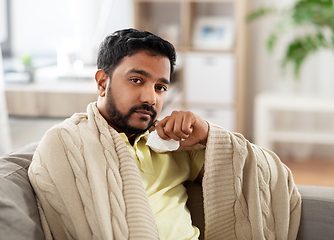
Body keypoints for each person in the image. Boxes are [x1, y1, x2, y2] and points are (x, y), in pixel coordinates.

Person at [28, 28, 301, 240]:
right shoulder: (66, 140)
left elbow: (263, 175)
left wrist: (209, 137)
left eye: (160, 87)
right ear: (102, 83)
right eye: (137, 80)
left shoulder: (170, 144)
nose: (150, 97)